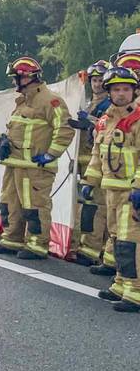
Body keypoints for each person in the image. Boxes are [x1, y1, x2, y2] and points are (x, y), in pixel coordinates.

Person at [0, 56, 74, 260]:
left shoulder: (50, 101)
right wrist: (4, 141)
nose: (13, 82)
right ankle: (12, 239)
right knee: (10, 203)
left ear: (26, 78)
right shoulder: (22, 101)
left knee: (34, 205)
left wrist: (51, 154)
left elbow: (65, 128)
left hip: (36, 167)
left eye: (15, 77)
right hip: (15, 164)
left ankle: (37, 244)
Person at [79, 65, 140, 312]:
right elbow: (97, 155)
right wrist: (89, 182)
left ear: (134, 91)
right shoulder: (105, 121)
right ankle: (121, 283)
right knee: (115, 238)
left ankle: (135, 291)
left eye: (126, 89)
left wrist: (138, 186)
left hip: (129, 191)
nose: (121, 94)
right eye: (116, 89)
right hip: (111, 190)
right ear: (109, 92)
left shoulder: (137, 119)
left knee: (130, 241)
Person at [70, 59, 112, 269]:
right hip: (87, 163)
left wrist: (91, 121)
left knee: (95, 209)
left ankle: (91, 250)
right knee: (88, 206)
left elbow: (108, 127)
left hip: (101, 166)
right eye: (94, 80)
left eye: (100, 80)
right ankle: (96, 247)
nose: (96, 84)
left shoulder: (109, 105)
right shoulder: (91, 103)